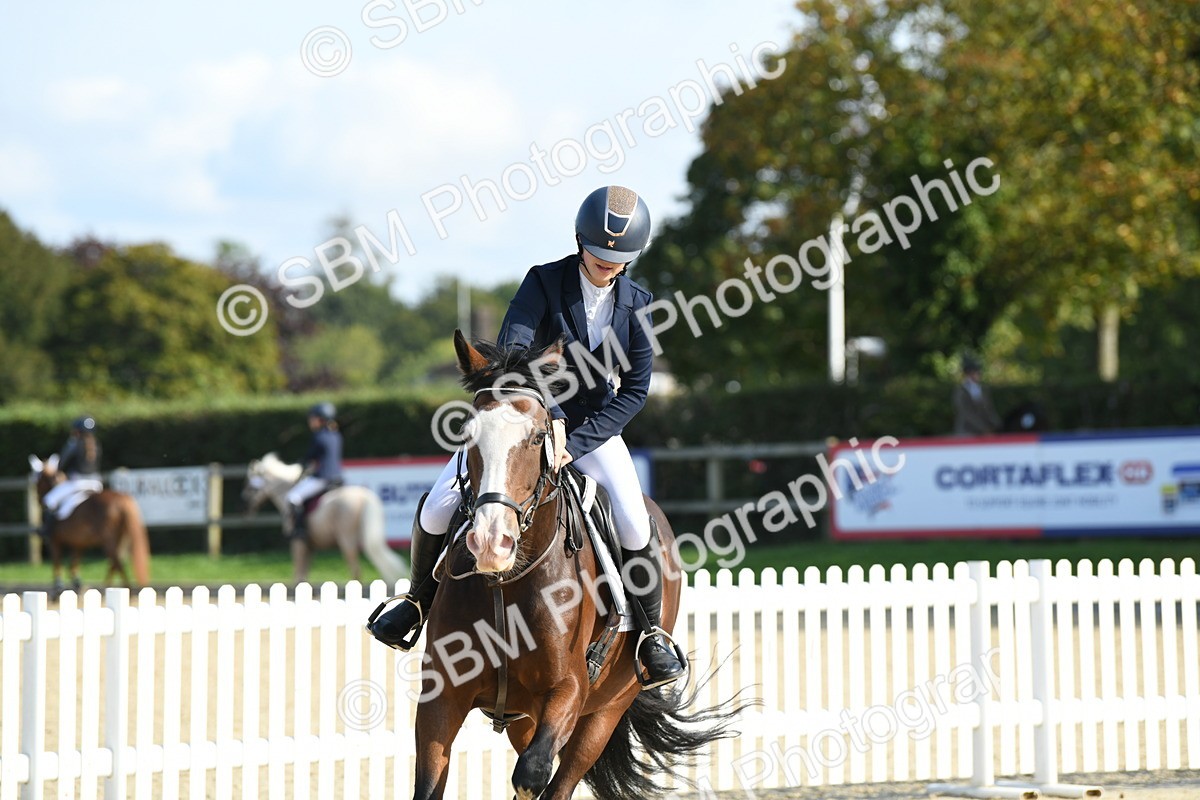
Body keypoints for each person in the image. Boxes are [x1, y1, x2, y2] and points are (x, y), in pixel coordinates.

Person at [369, 185, 685, 689]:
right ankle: (414, 603)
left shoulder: (638, 305)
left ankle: (650, 635)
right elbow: (514, 348)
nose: (608, 264)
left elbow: (637, 390)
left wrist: (574, 441)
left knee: (630, 516)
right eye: (599, 254)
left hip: (595, 431)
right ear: (580, 241)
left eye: (619, 258)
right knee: (436, 504)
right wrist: (546, 416)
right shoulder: (543, 283)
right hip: (521, 421)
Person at [40, 416, 104, 538]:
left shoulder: (74, 443)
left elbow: (62, 464)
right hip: (96, 484)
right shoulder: (97, 444)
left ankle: (47, 533)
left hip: (77, 483)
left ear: (77, 431)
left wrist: (56, 471)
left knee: (49, 500)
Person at [286, 402, 343, 539]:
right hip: (338, 477)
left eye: (312, 418)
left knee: (293, 497)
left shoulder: (318, 436)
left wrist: (302, 464)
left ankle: (299, 530)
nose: (310, 421)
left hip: (323, 477)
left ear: (320, 420)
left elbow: (309, 458)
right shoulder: (336, 435)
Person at [953, 356, 1001, 436]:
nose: (979, 375)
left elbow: (988, 409)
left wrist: (996, 423)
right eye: (976, 373)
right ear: (969, 374)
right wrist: (983, 428)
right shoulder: (961, 391)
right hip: (967, 430)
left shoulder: (983, 389)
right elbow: (967, 413)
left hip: (984, 429)